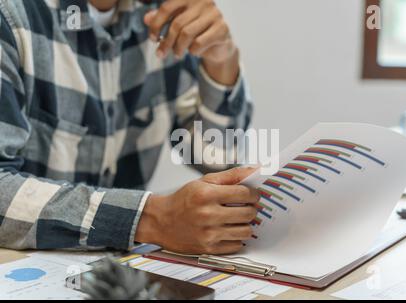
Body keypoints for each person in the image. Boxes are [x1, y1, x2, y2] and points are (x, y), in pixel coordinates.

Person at [0, 0, 259, 254]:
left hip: (116, 271)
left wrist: (221, 61)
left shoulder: (164, 14)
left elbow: (216, 159)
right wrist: (154, 218)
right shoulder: (11, 15)